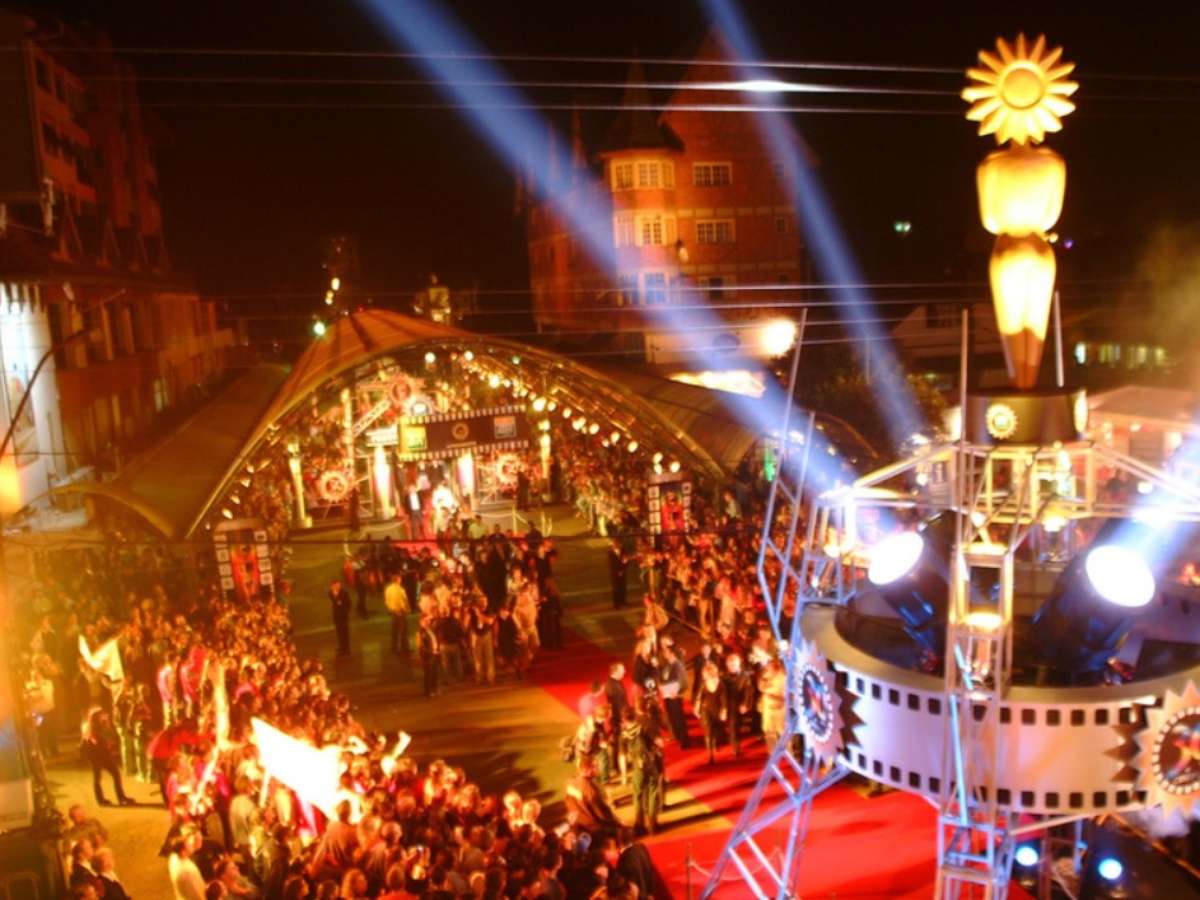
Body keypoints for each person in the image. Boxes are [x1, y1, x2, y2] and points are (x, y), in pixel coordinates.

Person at [82, 709, 133, 806]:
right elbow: (96, 741)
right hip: (98, 755)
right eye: (102, 715)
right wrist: (107, 744)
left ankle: (117, 797)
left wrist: (107, 726)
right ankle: (112, 798)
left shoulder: (96, 725)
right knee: (102, 776)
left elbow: (109, 736)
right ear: (97, 717)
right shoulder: (92, 727)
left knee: (109, 775)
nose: (104, 716)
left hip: (99, 754)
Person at [658, 644, 690, 749]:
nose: (664, 654)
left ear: (672, 654)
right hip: (668, 695)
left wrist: (676, 692)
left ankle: (684, 740)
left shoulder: (677, 665)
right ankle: (679, 738)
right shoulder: (668, 665)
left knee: (678, 719)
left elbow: (680, 681)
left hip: (674, 696)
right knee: (673, 719)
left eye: (666, 652)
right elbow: (665, 678)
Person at [724, 653, 755, 758]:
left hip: (740, 704)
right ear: (727, 665)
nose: (732, 667)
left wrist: (745, 704)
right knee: (733, 727)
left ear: (738, 664)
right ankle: (735, 748)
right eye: (730, 664)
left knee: (737, 726)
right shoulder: (724, 676)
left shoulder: (745, 677)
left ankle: (736, 744)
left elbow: (749, 692)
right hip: (729, 705)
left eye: (734, 664)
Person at [696, 662, 726, 765]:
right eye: (704, 673)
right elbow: (699, 697)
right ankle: (710, 754)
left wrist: (724, 710)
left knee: (716, 731)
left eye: (705, 673)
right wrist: (697, 707)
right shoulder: (703, 684)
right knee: (708, 732)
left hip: (717, 710)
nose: (704, 675)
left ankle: (715, 744)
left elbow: (723, 699)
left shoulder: (720, 684)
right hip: (706, 710)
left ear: (711, 673)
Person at [168, 828, 206, 900]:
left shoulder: (173, 857)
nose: (191, 844)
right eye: (189, 845)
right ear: (183, 852)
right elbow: (197, 894)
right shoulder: (187, 871)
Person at [384, 573, 410, 657]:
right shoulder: (400, 589)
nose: (401, 580)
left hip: (392, 611)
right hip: (400, 611)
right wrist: (407, 609)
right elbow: (403, 601)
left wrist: (390, 609)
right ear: (397, 580)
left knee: (394, 631)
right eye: (400, 579)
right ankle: (404, 648)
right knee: (403, 631)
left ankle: (394, 648)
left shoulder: (388, 589)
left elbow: (386, 600)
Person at [417, 614, 440, 698]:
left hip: (434, 654)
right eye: (425, 621)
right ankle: (428, 692)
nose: (428, 622)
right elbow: (421, 646)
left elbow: (434, 640)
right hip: (427, 656)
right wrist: (431, 652)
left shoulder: (430, 629)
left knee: (434, 673)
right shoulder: (421, 632)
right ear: (421, 622)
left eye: (428, 621)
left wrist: (436, 649)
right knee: (428, 674)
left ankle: (434, 690)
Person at [328, 579, 352, 656]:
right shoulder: (331, 592)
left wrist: (346, 611)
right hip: (336, 615)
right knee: (339, 632)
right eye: (334, 586)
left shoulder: (344, 593)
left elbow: (348, 603)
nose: (336, 587)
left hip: (343, 615)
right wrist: (337, 598)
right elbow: (335, 601)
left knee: (344, 632)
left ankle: (346, 649)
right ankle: (341, 646)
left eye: (338, 585)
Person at [608, 541, 628, 609]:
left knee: (623, 588)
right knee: (616, 589)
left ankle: (623, 602)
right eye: (615, 545)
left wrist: (623, 570)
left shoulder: (623, 551)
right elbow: (611, 564)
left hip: (622, 572)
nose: (617, 546)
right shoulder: (610, 553)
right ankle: (617, 604)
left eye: (618, 544)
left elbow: (625, 561)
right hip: (615, 574)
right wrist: (617, 572)